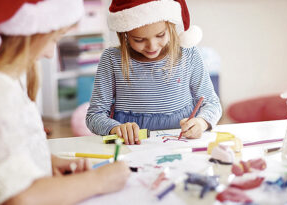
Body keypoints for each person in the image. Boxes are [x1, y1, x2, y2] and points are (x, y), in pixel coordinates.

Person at [0, 0, 130, 205]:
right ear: (25, 32)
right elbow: (20, 198)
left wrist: (47, 164)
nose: (50, 54)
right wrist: (98, 181)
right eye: (53, 39)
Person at [86, 0, 222, 145]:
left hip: (181, 144)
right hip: (133, 147)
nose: (152, 46)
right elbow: (94, 116)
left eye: (160, 35)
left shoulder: (188, 54)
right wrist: (115, 129)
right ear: (124, 33)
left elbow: (212, 103)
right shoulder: (111, 59)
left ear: (170, 26)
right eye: (139, 39)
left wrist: (201, 123)